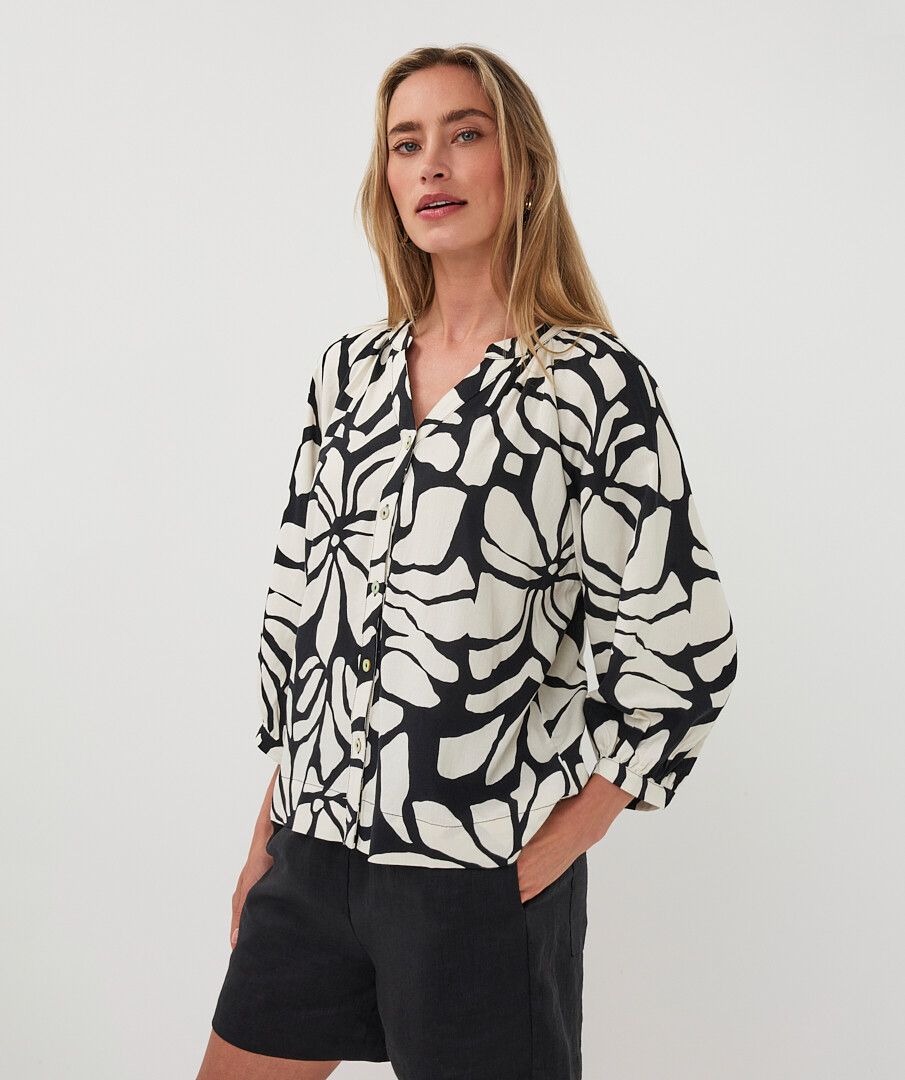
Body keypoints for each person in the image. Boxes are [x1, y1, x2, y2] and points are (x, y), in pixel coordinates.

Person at [197, 43, 738, 1080]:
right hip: (309, 858)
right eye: (406, 144)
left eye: (464, 134)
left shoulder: (589, 386)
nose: (432, 165)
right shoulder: (346, 375)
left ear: (519, 163)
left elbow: (683, 648)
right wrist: (266, 839)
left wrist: (548, 851)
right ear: (386, 177)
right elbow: (312, 627)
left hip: (472, 879)